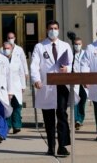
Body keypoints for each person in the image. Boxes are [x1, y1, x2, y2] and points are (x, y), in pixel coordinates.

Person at [30, 20, 73, 156]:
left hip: (61, 85)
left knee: (62, 116)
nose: (53, 30)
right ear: (46, 30)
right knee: (48, 119)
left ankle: (62, 146)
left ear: (58, 30)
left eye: (55, 28)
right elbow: (34, 65)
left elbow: (72, 63)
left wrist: (68, 68)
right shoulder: (39, 46)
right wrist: (36, 79)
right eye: (50, 28)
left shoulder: (65, 45)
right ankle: (51, 146)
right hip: (46, 85)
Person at [2, 42, 25, 134]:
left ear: (11, 49)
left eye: (8, 48)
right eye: (4, 48)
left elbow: (21, 73)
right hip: (5, 87)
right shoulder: (1, 59)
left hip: (16, 86)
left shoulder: (17, 60)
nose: (6, 50)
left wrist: (23, 85)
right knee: (6, 107)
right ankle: (7, 126)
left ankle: (17, 126)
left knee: (17, 106)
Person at [73, 37, 88, 130]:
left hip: (84, 81)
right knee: (75, 101)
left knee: (82, 101)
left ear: (82, 45)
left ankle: (81, 119)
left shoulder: (85, 54)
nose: (77, 46)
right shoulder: (70, 54)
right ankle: (76, 120)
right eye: (75, 44)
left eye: (79, 44)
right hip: (74, 81)